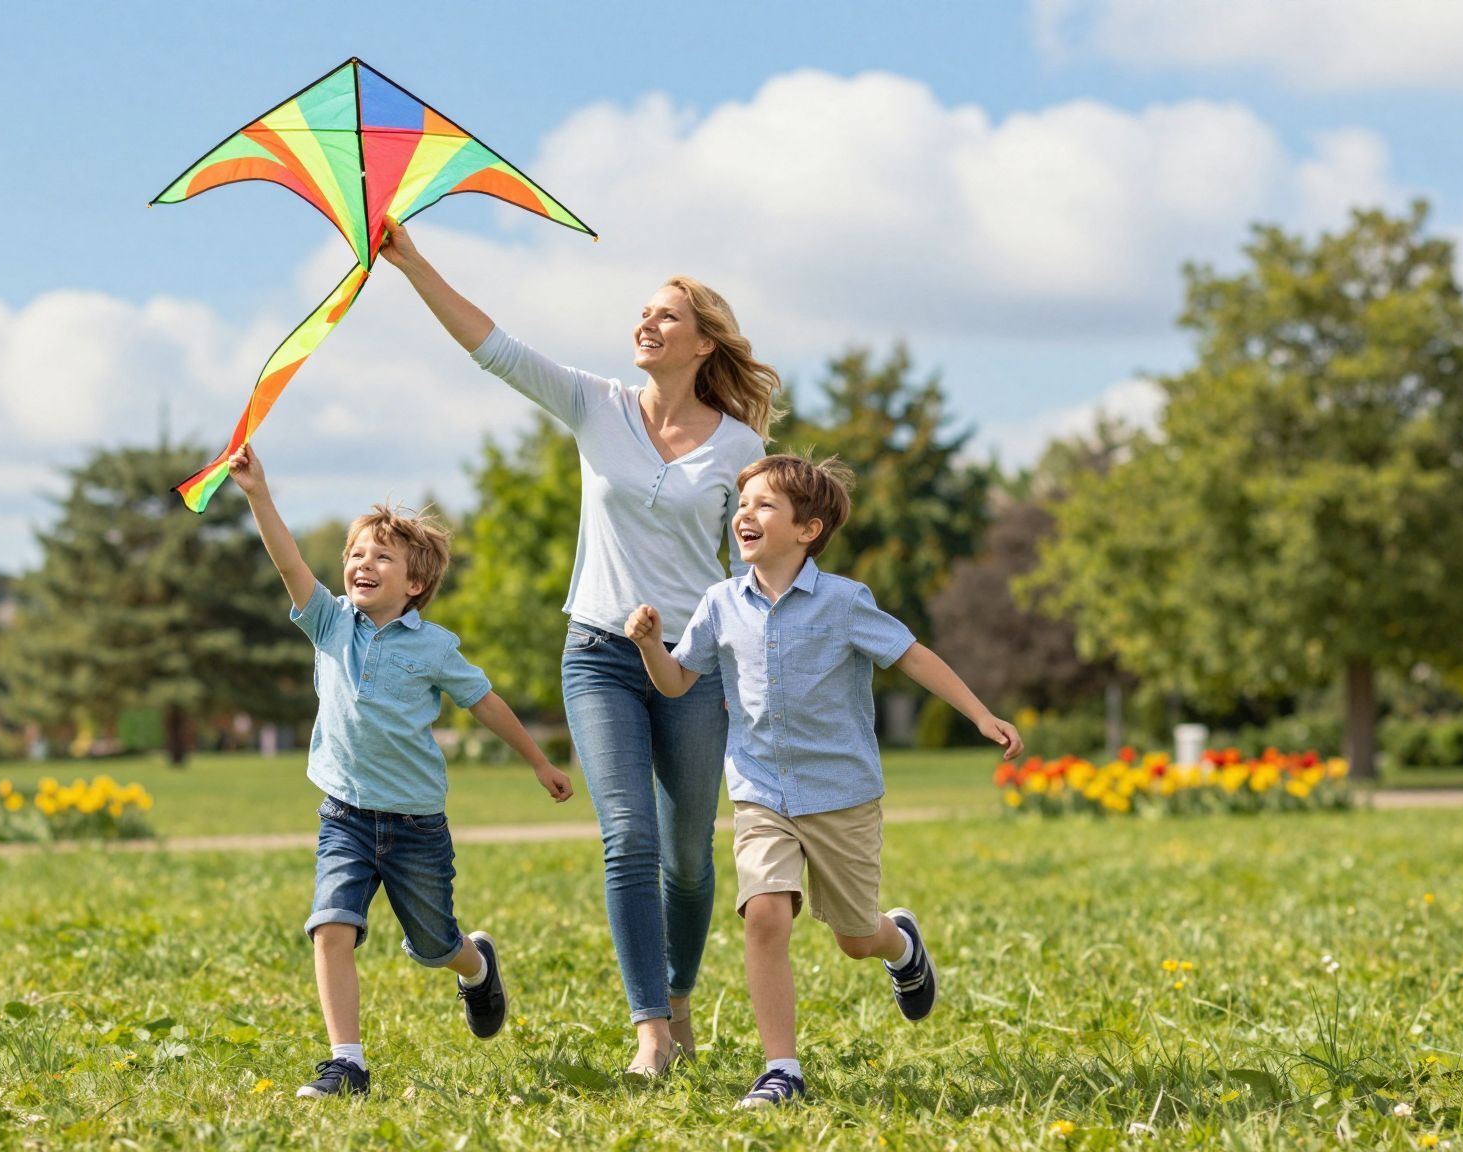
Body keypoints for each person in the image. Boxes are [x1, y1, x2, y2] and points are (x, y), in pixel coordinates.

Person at [380, 217, 776, 1076]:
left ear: (704, 342)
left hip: (693, 665)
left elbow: (762, 549)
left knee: (688, 859)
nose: (646, 324)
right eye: (642, 313)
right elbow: (495, 347)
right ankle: (651, 1032)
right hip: (599, 653)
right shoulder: (595, 404)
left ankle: (678, 994)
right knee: (627, 836)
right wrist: (413, 262)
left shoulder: (741, 448)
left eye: (666, 316)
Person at [623, 454, 1024, 1108]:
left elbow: (913, 655)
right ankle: (782, 1069)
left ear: (807, 529)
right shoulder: (720, 603)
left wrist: (980, 714)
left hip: (841, 796)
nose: (744, 514)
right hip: (760, 793)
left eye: (763, 505)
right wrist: (649, 646)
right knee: (765, 915)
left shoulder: (844, 602)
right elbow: (676, 681)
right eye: (741, 503)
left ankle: (899, 942)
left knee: (854, 937)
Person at [227, 445, 575, 1100]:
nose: (363, 563)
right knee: (330, 927)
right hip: (345, 817)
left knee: (435, 943)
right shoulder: (330, 623)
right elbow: (287, 560)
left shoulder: (434, 647)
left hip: (416, 825)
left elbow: (486, 703)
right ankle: (347, 1064)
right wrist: (257, 493)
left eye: (382, 557)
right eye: (357, 554)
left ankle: (476, 966)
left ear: (414, 583)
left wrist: (538, 761)